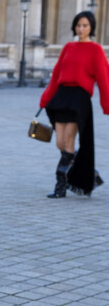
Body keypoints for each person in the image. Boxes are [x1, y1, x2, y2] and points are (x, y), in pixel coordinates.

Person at [40, 11, 108, 198]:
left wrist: (106, 104)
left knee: (69, 141)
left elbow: (103, 78)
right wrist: (45, 98)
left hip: (79, 100)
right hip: (62, 98)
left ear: (91, 27)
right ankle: (88, 171)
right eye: (78, 25)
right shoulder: (68, 47)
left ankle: (60, 186)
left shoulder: (96, 50)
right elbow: (56, 75)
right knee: (60, 143)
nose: (81, 29)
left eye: (85, 25)